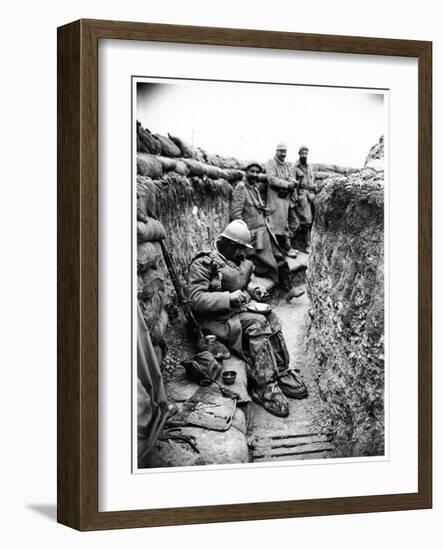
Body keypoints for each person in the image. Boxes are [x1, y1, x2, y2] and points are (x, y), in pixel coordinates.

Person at [187, 220, 308, 417]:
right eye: (241, 249)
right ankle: (264, 384)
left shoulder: (237, 259)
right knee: (258, 324)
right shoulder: (204, 263)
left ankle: (281, 370)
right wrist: (228, 297)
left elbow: (245, 280)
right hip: (217, 321)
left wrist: (255, 290)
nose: (243, 254)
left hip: (236, 312)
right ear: (230, 244)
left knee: (272, 317)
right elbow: (195, 299)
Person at [230, 161, 289, 286]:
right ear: (246, 172)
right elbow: (236, 216)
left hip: (265, 233)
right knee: (271, 263)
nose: (255, 174)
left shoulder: (254, 188)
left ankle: (289, 289)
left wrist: (264, 210)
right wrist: (246, 236)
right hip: (254, 238)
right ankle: (285, 289)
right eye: (252, 171)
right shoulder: (241, 188)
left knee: (280, 257)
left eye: (257, 172)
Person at [265, 143, 299, 258]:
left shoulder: (284, 165)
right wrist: (287, 184)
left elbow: (288, 176)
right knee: (275, 226)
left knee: (286, 224)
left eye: (285, 152)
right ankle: (278, 250)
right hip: (275, 199)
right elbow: (271, 179)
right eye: (281, 151)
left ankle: (286, 248)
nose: (283, 154)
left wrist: (293, 181)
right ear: (277, 151)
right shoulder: (271, 163)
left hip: (284, 199)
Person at [294, 176, 315, 253]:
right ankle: (307, 244)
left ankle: (311, 243)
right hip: (302, 199)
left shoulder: (309, 168)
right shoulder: (295, 167)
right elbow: (294, 184)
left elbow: (311, 182)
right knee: (305, 222)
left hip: (311, 197)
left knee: (311, 221)